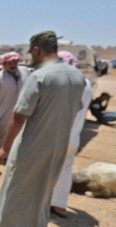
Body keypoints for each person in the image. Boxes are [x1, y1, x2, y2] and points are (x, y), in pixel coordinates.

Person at [0, 31, 86, 227]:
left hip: (32, 145)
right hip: (58, 145)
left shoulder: (40, 76)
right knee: (43, 189)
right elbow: (76, 108)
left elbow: (19, 115)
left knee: (16, 186)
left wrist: (4, 147)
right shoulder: (77, 76)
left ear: (37, 49)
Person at [50, 51, 93, 217]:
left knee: (46, 168)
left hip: (57, 135)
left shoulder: (65, 81)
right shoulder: (87, 83)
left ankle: (40, 203)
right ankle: (59, 204)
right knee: (65, 170)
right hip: (74, 136)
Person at [0, 52, 30, 153]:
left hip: (21, 111)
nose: (13, 65)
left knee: (19, 134)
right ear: (4, 64)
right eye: (10, 63)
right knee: (3, 136)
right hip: (3, 112)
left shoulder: (25, 71)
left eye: (15, 62)